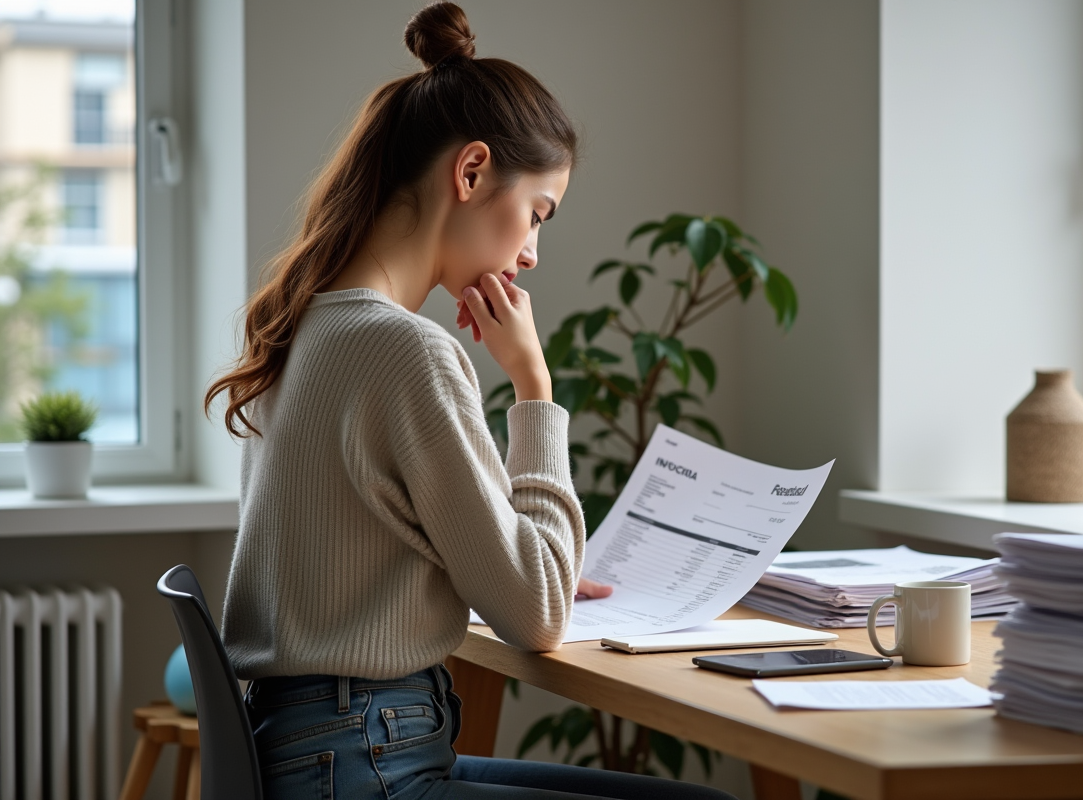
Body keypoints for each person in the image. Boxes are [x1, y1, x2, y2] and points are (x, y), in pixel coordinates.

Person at [205, 3, 738, 798]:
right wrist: (535, 386)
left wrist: (523, 556)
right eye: (536, 213)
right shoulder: (406, 348)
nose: (530, 251)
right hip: (370, 762)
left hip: (322, 749)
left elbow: (407, 555)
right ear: (472, 171)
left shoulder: (308, 323)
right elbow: (537, 616)